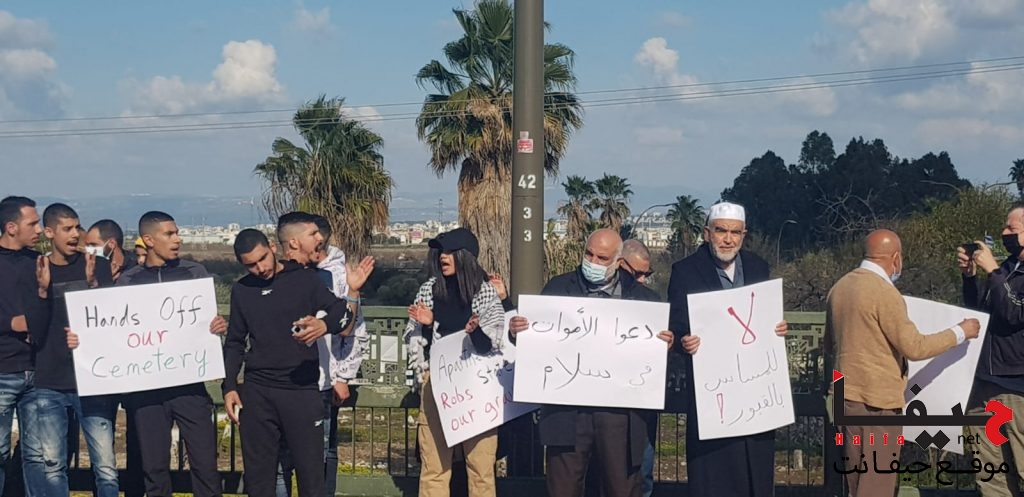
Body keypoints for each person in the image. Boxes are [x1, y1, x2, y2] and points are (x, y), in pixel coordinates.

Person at [67, 211, 228, 497]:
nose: (177, 239)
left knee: (205, 467)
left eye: (177, 233)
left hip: (189, 387)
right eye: (170, 234)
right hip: (146, 393)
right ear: (149, 240)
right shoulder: (129, 281)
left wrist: (217, 326)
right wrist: (83, 339)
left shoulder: (194, 273)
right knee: (154, 470)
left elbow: (206, 322)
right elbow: (110, 330)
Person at [508, 228, 674, 497]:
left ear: (619, 262)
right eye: (589, 254)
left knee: (621, 488)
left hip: (620, 415)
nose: (593, 262)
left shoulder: (645, 300)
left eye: (602, 258)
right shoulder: (557, 288)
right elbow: (537, 341)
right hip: (566, 413)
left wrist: (665, 344)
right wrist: (518, 332)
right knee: (563, 489)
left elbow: (655, 356)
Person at [827, 228, 979, 497]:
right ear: (895, 258)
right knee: (877, 483)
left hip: (845, 396)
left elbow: (829, 344)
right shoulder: (884, 293)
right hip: (878, 402)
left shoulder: (839, 288)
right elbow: (914, 347)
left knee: (855, 482)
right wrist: (960, 332)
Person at [222, 229, 367, 497]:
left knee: (311, 477)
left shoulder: (304, 279)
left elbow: (343, 314)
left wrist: (323, 325)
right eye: (251, 265)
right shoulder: (242, 290)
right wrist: (229, 385)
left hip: (301, 390)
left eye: (262, 258)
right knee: (259, 479)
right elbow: (235, 342)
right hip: (258, 391)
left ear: (272, 247)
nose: (260, 268)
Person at [665, 201, 787, 497]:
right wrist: (684, 341)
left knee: (755, 466)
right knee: (713, 472)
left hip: (755, 389)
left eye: (735, 232)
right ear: (707, 233)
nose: (728, 239)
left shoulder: (758, 266)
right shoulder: (685, 271)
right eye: (721, 231)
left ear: (744, 235)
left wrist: (777, 328)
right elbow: (675, 325)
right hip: (713, 390)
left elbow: (764, 316)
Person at [21, 203, 119, 497]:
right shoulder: (37, 269)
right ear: (49, 233)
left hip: (92, 379)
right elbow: (35, 332)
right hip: (50, 381)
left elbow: (112, 320)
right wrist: (42, 292)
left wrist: (92, 284)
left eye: (77, 227)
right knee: (53, 466)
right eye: (67, 229)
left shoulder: (97, 265)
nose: (75, 234)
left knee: (106, 468)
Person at [274, 213, 373, 497]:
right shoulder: (274, 276)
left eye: (319, 236)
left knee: (319, 456)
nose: (319, 240)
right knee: (281, 459)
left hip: (320, 380)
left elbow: (349, 328)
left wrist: (341, 376)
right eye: (312, 235)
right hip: (280, 381)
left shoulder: (334, 275)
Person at [403, 227, 505, 497]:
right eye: (440, 252)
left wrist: (475, 331)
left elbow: (493, 344)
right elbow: (415, 342)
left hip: (477, 387)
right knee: (433, 467)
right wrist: (427, 325)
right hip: (436, 383)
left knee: (481, 469)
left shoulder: (485, 292)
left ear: (465, 256)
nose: (443, 257)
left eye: (449, 252)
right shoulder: (429, 289)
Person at [959, 206, 1024, 496]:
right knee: (991, 473)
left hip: (1016, 388)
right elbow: (980, 314)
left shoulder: (1001, 272)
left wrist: (993, 271)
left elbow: (1013, 313)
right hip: (985, 383)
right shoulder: (1008, 269)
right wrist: (970, 277)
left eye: (1012, 229)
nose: (1004, 233)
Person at [0, 196, 48, 494]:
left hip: (37, 370)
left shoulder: (38, 263)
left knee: (38, 455)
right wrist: (11, 323)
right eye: (33, 223)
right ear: (11, 227)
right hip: (3, 369)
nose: (39, 230)